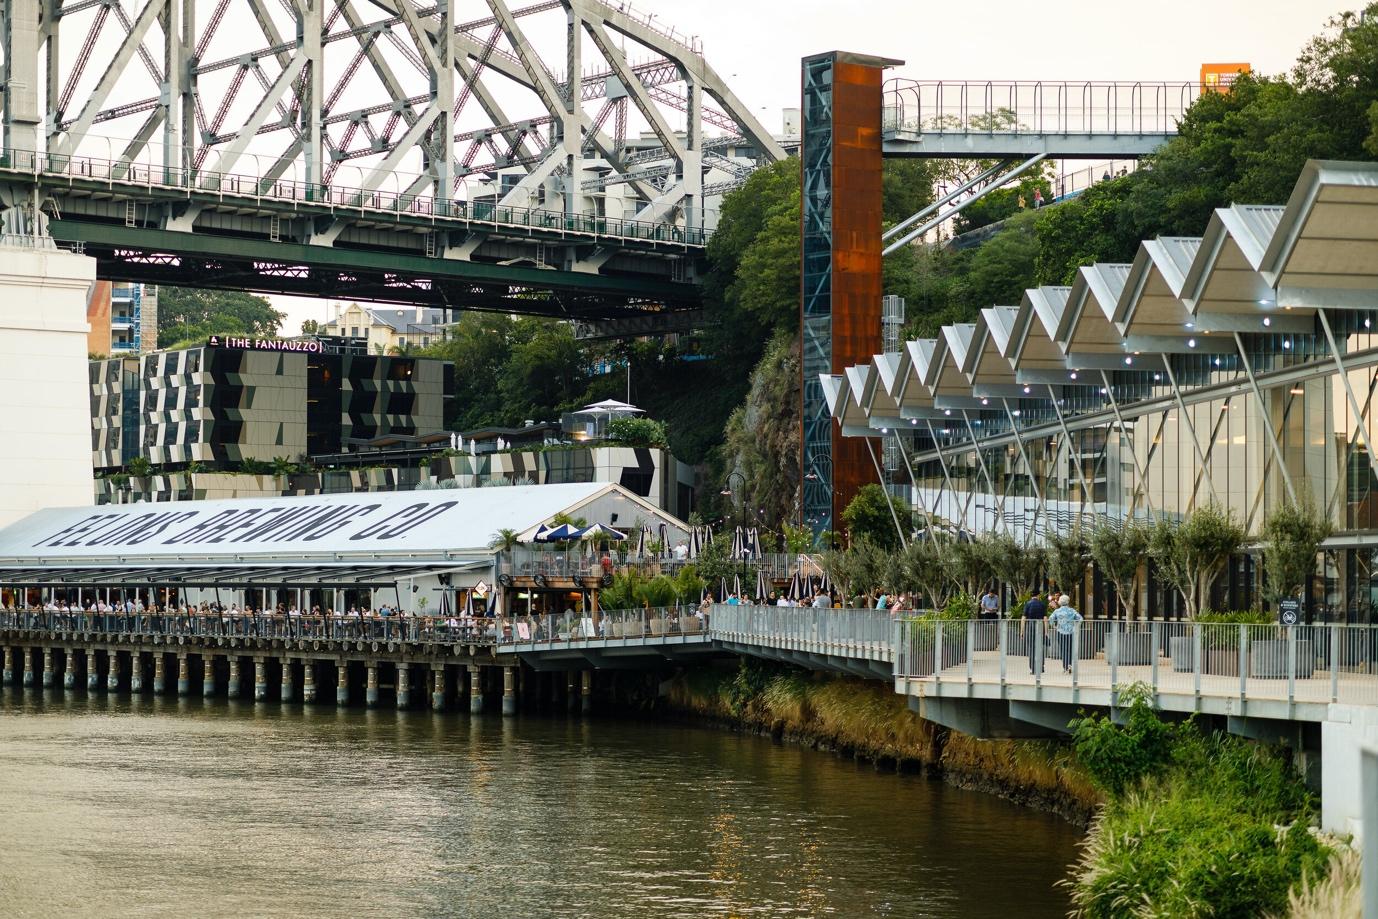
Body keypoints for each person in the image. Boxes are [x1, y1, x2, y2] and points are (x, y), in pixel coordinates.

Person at [1048, 594, 1083, 673]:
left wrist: (1054, 626)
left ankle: (1065, 667)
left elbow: (1051, 619)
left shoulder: (1057, 611)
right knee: (1069, 649)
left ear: (1060, 601)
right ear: (1068, 601)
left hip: (1060, 632)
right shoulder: (1072, 610)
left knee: (1063, 649)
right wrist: (1075, 627)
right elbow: (1080, 618)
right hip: (1070, 632)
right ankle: (1069, 665)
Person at [1023, 592, 1048, 675]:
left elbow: (1023, 618)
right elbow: (1045, 618)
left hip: (1030, 627)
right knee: (1040, 647)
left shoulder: (1028, 604)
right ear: (1038, 596)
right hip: (1040, 627)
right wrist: (1046, 631)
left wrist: (1022, 631)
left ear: (1031, 596)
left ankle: (1033, 668)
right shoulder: (1042, 604)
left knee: (1031, 648)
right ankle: (1041, 667)